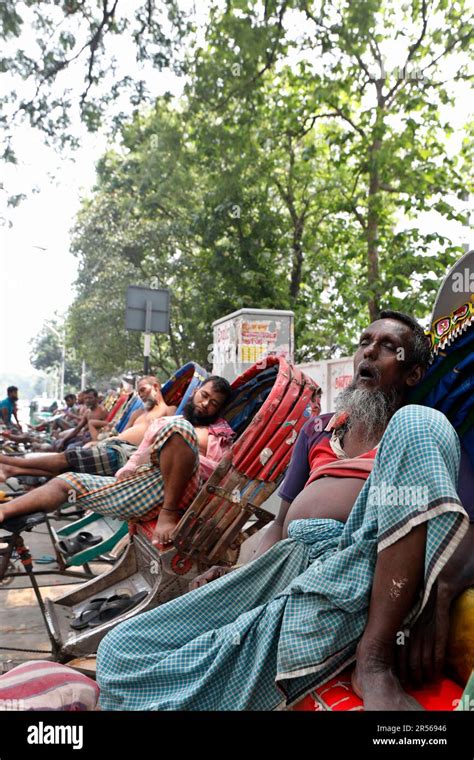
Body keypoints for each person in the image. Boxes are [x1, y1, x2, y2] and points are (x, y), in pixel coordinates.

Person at [93, 311, 473, 712]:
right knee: (122, 649)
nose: (370, 352)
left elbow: (460, 528)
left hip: (355, 567)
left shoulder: (420, 437)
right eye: (365, 342)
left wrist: (440, 596)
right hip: (283, 566)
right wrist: (243, 572)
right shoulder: (320, 429)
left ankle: (373, 660)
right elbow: (279, 522)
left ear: (412, 374)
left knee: (420, 420)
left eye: (387, 348)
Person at [0, 376, 234, 548]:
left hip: (178, 490)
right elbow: (143, 447)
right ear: (196, 392)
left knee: (179, 429)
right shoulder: (173, 419)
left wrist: (180, 449)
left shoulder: (217, 433)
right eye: (204, 395)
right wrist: (130, 468)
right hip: (142, 483)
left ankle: (168, 513)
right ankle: (5, 509)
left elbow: (217, 471)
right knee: (66, 482)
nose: (206, 404)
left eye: (214, 403)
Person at [0, 377, 176, 481]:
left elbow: (161, 439)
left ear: (156, 386)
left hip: (125, 453)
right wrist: (103, 440)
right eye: (139, 392)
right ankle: (14, 469)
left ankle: (12, 463)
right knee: (66, 468)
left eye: (144, 390)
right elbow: (121, 433)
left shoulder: (170, 410)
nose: (141, 394)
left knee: (68, 457)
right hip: (113, 444)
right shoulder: (138, 412)